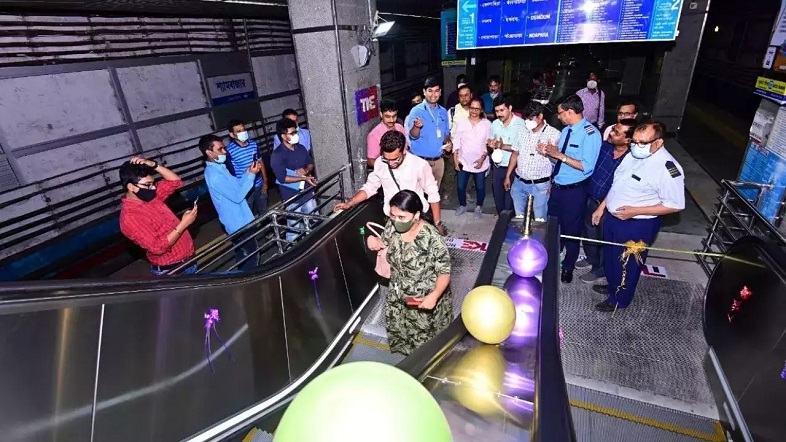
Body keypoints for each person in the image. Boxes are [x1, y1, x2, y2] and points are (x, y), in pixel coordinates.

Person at [591, 122, 684, 312]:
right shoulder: (632, 154)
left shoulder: (668, 169)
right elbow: (618, 184)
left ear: (658, 143)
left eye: (642, 143)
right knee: (610, 256)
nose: (635, 146)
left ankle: (619, 299)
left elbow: (675, 205)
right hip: (613, 218)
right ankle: (612, 286)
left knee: (627, 263)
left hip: (637, 224)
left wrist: (634, 211)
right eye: (634, 141)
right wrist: (602, 207)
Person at [367, 189, 453, 355]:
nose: (396, 221)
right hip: (399, 291)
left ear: (416, 215)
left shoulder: (431, 237)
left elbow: (444, 272)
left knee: (423, 338)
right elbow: (384, 241)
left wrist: (434, 296)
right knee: (401, 327)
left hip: (423, 295)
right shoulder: (392, 226)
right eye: (393, 215)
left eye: (402, 217)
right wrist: (373, 240)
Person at [335, 131, 447, 235]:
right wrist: (350, 203)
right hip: (392, 219)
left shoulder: (419, 165)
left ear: (404, 150)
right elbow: (370, 187)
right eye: (387, 159)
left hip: (415, 219)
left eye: (395, 159)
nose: (391, 163)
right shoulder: (380, 163)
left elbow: (433, 194)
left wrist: (437, 223)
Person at [541, 94, 601, 283]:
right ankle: (551, 260)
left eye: (560, 113)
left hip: (575, 191)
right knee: (553, 227)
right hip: (558, 187)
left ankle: (568, 266)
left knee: (571, 230)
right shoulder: (567, 131)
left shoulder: (591, 134)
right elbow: (561, 160)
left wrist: (559, 155)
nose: (558, 117)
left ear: (569, 111)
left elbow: (586, 166)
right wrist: (551, 153)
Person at [577, 119, 636, 284]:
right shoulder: (605, 147)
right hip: (590, 199)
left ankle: (600, 270)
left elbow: (618, 187)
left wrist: (601, 208)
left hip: (608, 207)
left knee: (605, 240)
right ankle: (591, 259)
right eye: (613, 129)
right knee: (589, 234)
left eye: (617, 133)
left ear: (628, 140)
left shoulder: (630, 160)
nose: (611, 133)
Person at [119, 157, 197, 275]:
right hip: (172, 271)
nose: (154, 188)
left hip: (189, 261)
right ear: (131, 187)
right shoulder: (130, 217)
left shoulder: (150, 197)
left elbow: (174, 181)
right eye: (148, 184)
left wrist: (154, 165)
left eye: (153, 183)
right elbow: (158, 247)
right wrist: (184, 224)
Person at [199, 135, 263, 271]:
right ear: (209, 152)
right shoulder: (214, 175)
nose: (224, 152)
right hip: (237, 224)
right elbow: (237, 196)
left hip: (241, 219)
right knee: (251, 257)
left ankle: (242, 279)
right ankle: (249, 282)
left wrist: (247, 173)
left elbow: (237, 186)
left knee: (244, 254)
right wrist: (251, 175)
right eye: (220, 149)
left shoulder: (220, 168)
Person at [504, 101, 560, 220]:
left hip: (540, 185)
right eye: (526, 119)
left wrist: (549, 152)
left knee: (539, 220)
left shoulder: (553, 134)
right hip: (519, 182)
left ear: (540, 116)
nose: (528, 122)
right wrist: (508, 175)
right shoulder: (521, 131)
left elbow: (557, 162)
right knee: (519, 218)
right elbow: (515, 153)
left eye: (531, 118)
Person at [271, 118, 318, 242]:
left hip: (307, 193)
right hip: (292, 197)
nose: (295, 135)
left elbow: (310, 163)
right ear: (283, 136)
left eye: (295, 132)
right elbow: (282, 178)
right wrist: (303, 177)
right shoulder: (277, 155)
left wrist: (306, 171)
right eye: (292, 133)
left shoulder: (301, 148)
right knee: (294, 229)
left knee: (314, 222)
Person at [406, 76, 452, 187]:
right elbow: (413, 136)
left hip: (438, 162)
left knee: (434, 195)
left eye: (436, 91)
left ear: (440, 92)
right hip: (421, 161)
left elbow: (445, 134)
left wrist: (448, 143)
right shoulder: (416, 111)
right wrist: (416, 127)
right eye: (430, 91)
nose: (433, 94)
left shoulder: (443, 111)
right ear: (424, 92)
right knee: (419, 196)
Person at [453, 97, 490, 218]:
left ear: (481, 110)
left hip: (480, 161)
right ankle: (463, 205)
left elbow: (488, 143)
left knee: (480, 186)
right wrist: (455, 159)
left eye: (477, 108)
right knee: (460, 186)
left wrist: (482, 158)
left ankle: (479, 207)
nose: (474, 111)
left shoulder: (487, 124)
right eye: (472, 108)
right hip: (463, 160)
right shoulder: (462, 123)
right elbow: (457, 141)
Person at [488, 95, 526, 215]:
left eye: (502, 110)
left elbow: (522, 148)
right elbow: (491, 143)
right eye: (496, 111)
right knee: (498, 199)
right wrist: (490, 145)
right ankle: (502, 221)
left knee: (510, 201)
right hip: (498, 167)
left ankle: (508, 225)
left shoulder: (521, 125)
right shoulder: (494, 124)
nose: (499, 114)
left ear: (510, 108)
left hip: (514, 169)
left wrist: (503, 146)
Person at [226, 119, 269, 216]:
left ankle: (268, 229)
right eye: (238, 131)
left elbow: (260, 161)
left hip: (259, 185)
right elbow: (231, 173)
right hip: (245, 189)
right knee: (249, 215)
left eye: (243, 130)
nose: (243, 133)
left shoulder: (253, 144)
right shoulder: (229, 151)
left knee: (264, 212)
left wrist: (265, 181)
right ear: (232, 135)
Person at [367, 98, 406, 168]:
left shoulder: (400, 128)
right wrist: (385, 170)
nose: (391, 120)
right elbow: (370, 161)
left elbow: (405, 150)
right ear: (381, 114)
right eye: (387, 116)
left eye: (394, 116)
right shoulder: (374, 135)